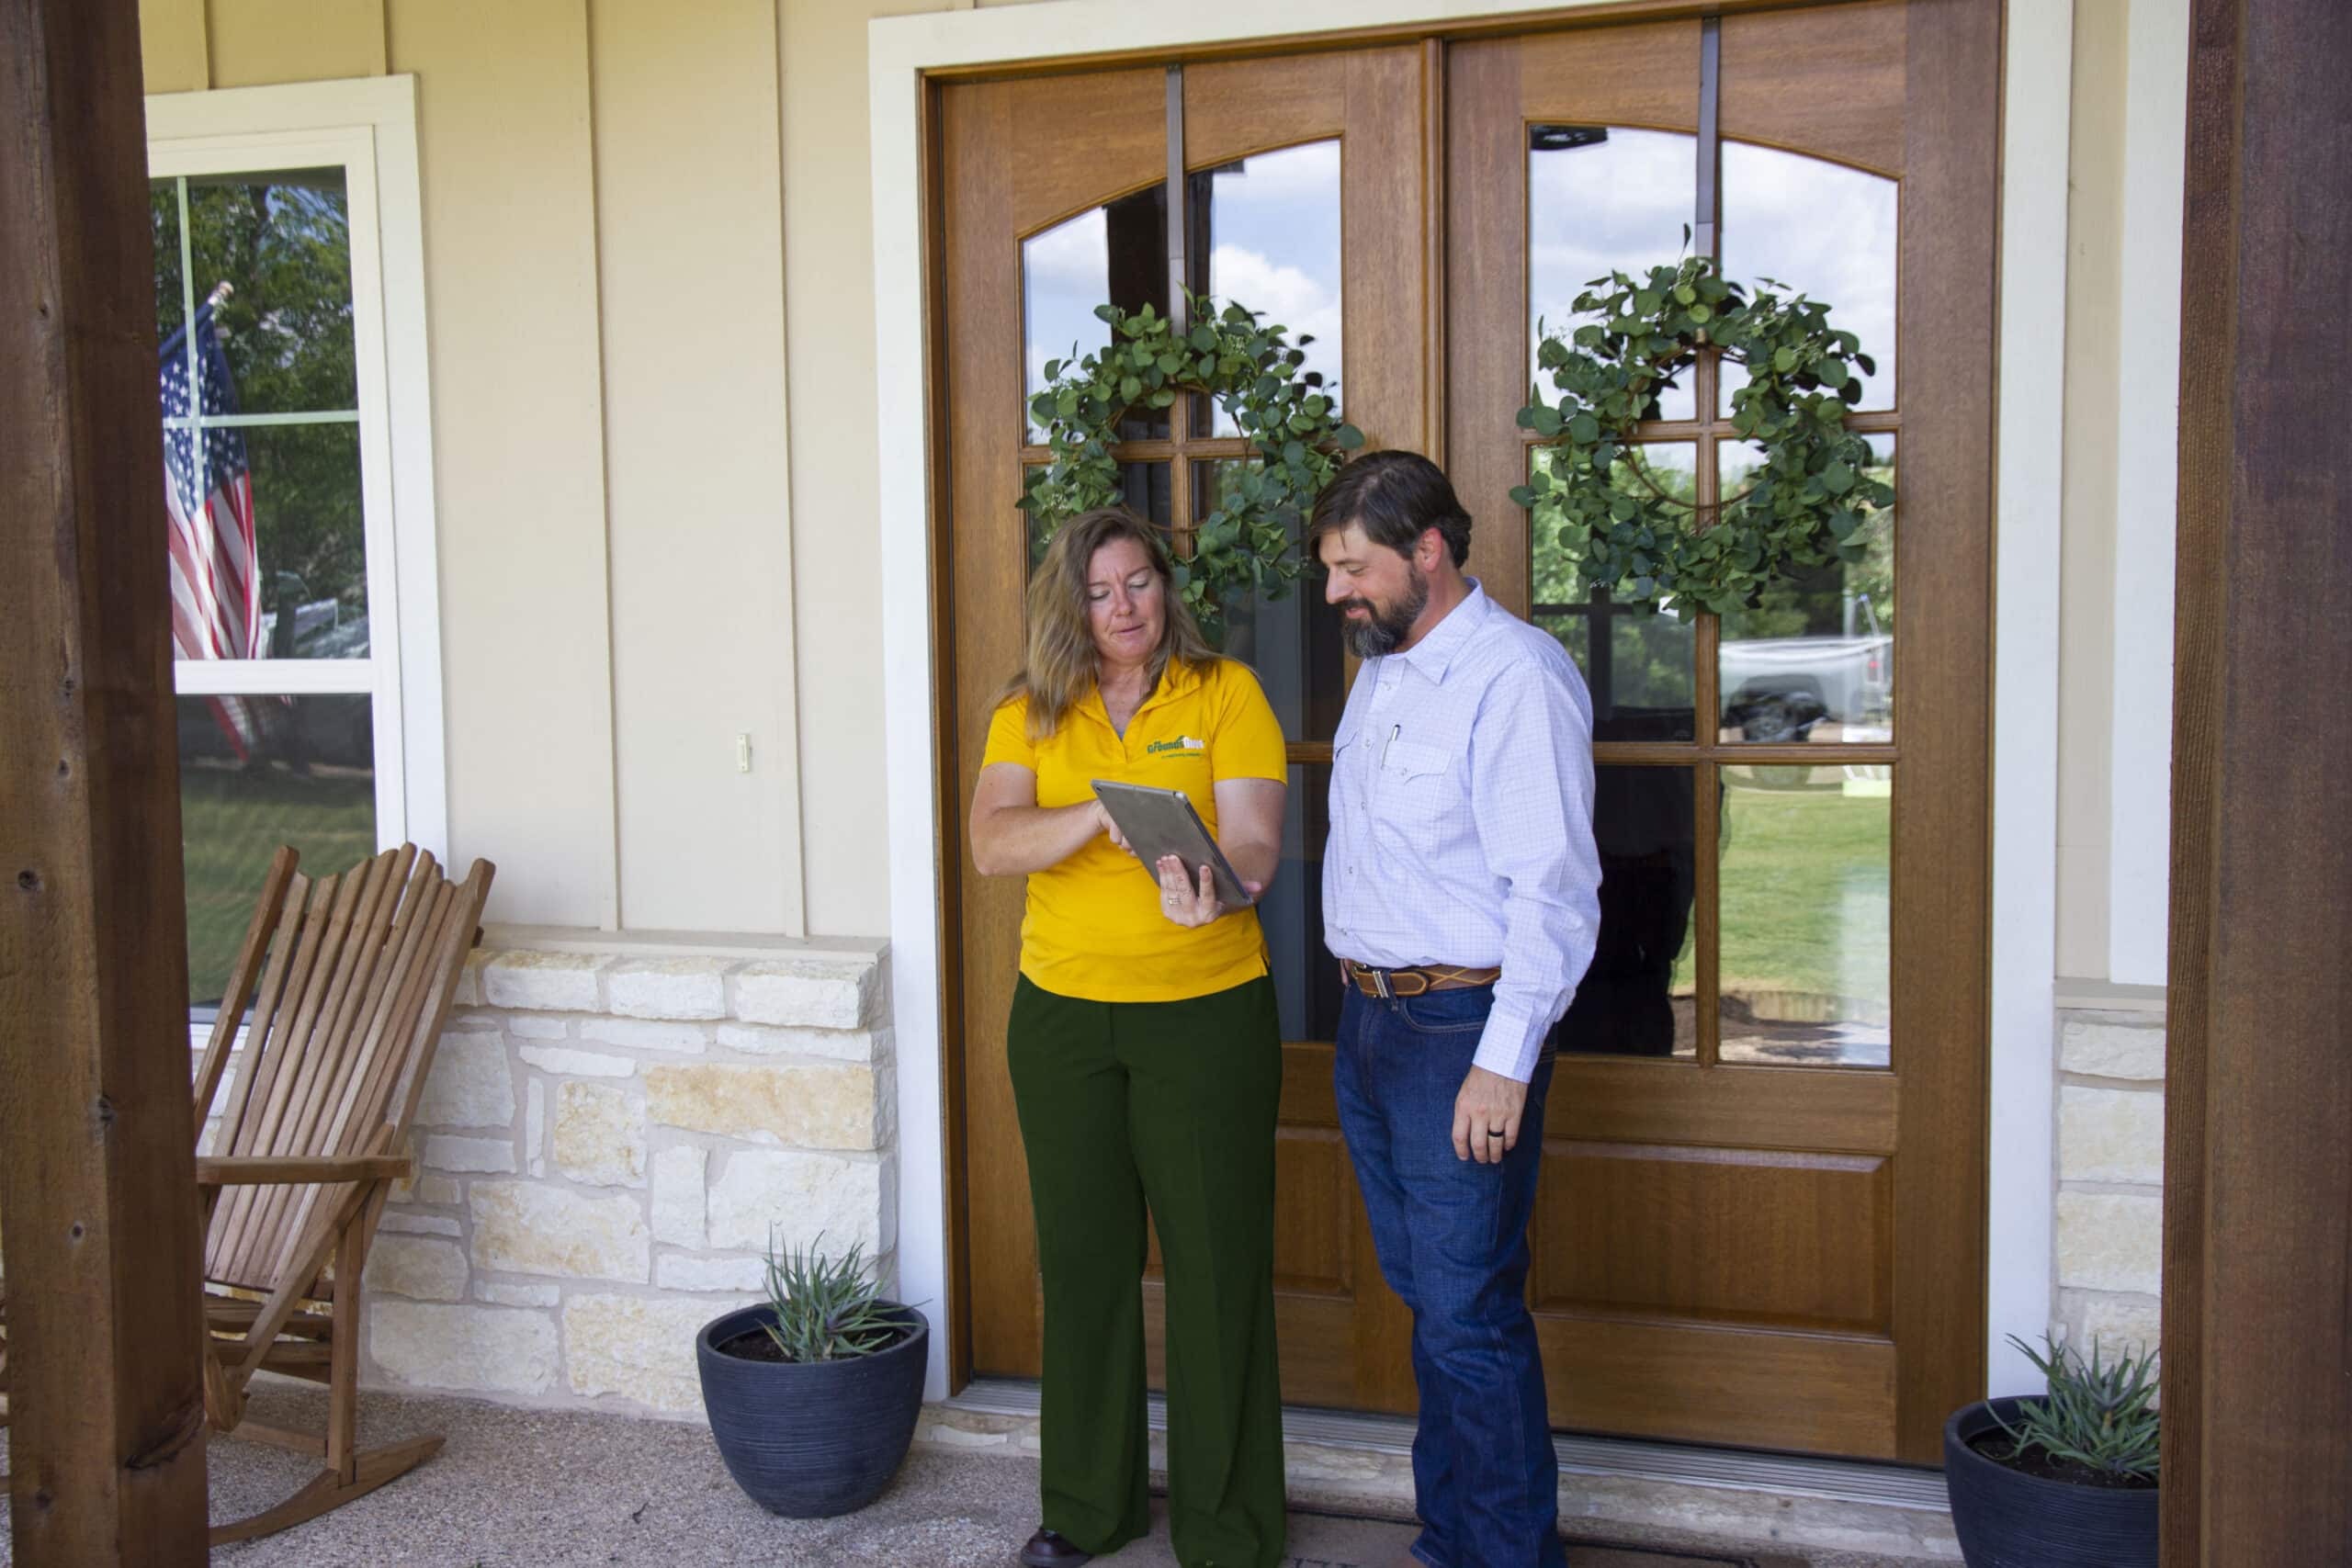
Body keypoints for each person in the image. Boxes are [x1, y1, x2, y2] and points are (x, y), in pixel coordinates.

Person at [967, 507, 1291, 1568]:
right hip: (1062, 1020)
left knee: (1215, 1267)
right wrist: (1097, 818)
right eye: (1101, 591)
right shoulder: (1027, 713)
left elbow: (1251, 837)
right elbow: (992, 842)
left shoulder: (1224, 692)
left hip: (1204, 1012)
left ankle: (1228, 1530)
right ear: (1070, 605)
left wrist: (1226, 888)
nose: (1123, 608)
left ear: (1165, 587)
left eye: (1139, 583)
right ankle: (1089, 1509)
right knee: (1084, 1263)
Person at [1309, 450, 1601, 1567]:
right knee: (1434, 1309)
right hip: (1375, 1027)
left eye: (1352, 567)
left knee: (1470, 1322)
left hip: (1459, 1037)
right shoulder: (1385, 665)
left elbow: (1555, 892)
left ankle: (1506, 1557)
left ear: (1425, 551)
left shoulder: (1513, 675)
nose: (1334, 591)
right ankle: (1449, 1546)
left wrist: (1504, 1060)